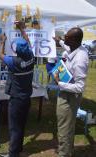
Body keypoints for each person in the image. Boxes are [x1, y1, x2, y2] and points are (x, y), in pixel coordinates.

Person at [0, 21, 34, 157]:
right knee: (21, 125)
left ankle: (13, 154)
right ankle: (18, 149)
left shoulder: (14, 62)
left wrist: (2, 42)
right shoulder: (31, 56)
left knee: (14, 128)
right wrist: (22, 29)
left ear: (16, 50)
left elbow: (0, 55)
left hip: (17, 99)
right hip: (26, 98)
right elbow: (28, 43)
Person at [53, 27, 89, 157]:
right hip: (67, 92)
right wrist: (60, 42)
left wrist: (59, 83)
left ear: (74, 40)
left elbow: (80, 87)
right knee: (67, 126)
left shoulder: (80, 60)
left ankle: (64, 154)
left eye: (66, 37)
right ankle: (68, 151)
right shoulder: (75, 48)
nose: (64, 38)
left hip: (70, 96)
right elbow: (68, 48)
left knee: (64, 128)